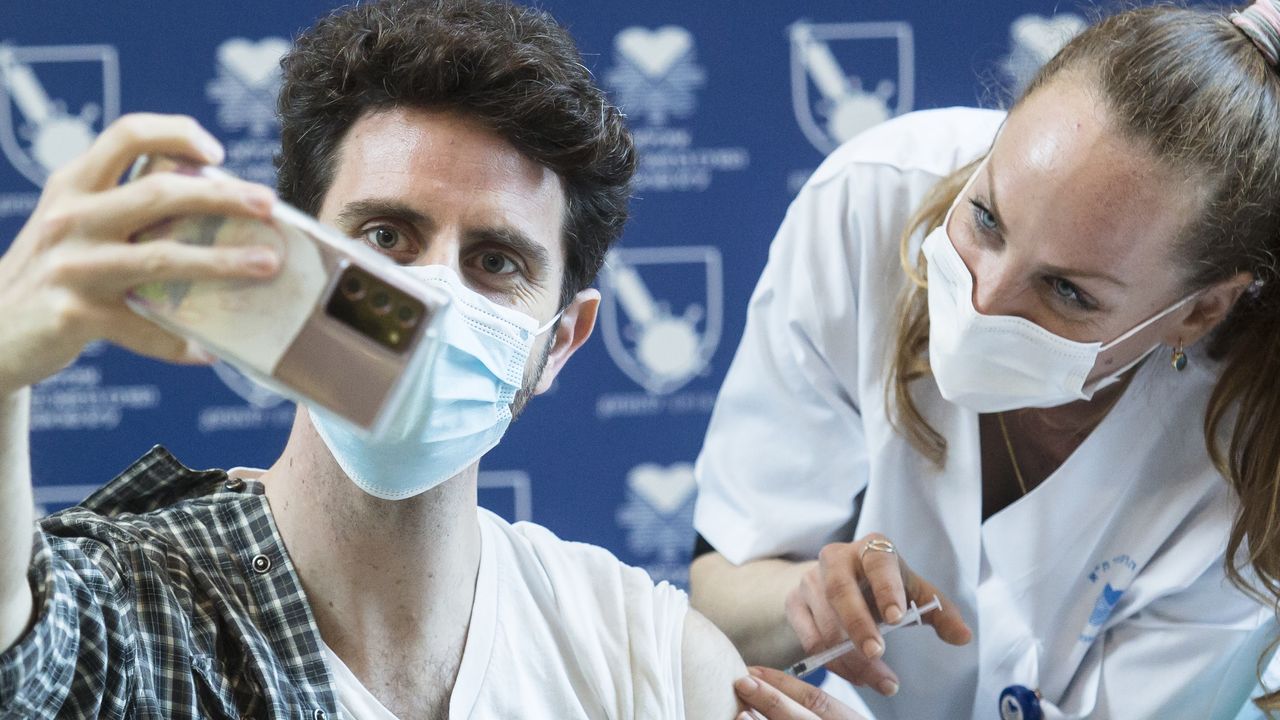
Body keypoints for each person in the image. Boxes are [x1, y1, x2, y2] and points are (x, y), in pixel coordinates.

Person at [0, 1, 786, 717]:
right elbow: (19, 667)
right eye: (384, 239)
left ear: (560, 344)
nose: (435, 295)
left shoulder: (643, 658)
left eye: (496, 262)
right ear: (294, 262)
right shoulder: (137, 609)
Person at [690, 2, 1280, 719]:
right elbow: (719, 591)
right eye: (987, 218)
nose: (982, 300)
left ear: (1197, 311)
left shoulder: (1252, 443)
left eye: (1067, 290)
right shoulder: (870, 203)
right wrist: (804, 600)